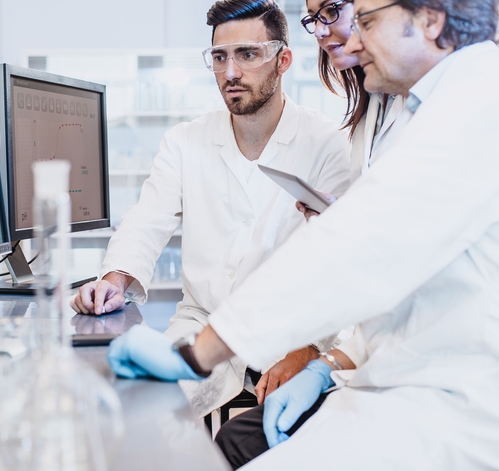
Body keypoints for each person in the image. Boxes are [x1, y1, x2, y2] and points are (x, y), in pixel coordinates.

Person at [107, 0, 499, 468]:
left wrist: (202, 353)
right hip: (378, 371)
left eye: (366, 20)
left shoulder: (475, 102)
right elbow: (394, 273)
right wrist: (332, 364)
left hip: (449, 400)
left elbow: (355, 249)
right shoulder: (421, 106)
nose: (350, 40)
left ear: (431, 19)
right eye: (219, 57)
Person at [71, 0, 351, 418]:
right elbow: (147, 220)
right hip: (201, 326)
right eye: (220, 57)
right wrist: (114, 278)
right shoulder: (186, 141)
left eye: (248, 55)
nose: (231, 73)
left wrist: (309, 348)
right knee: (134, 415)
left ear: (283, 60)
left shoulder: (329, 144)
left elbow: (343, 266)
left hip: (289, 337)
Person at [215, 0, 414, 466]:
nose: (325, 32)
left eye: (336, 13)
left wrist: (322, 356)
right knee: (233, 438)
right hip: (360, 348)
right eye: (314, 18)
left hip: (407, 369)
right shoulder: (371, 108)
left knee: (240, 442)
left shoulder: (441, 117)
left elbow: (397, 268)